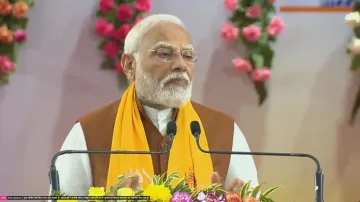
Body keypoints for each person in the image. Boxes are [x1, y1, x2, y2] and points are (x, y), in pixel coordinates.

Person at [53, 14, 259, 196]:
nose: (180, 65)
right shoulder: (90, 132)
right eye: (164, 53)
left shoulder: (224, 130)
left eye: (187, 55)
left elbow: (250, 195)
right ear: (129, 65)